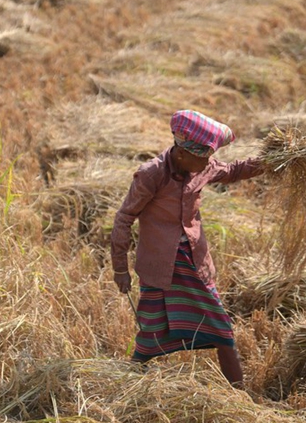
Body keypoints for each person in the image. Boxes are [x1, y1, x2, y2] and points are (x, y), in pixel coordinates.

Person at [110, 109, 264, 389]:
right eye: (202, 157)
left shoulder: (202, 166)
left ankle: (241, 398)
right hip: (159, 267)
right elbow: (124, 219)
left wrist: (271, 161)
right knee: (150, 337)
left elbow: (233, 170)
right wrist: (120, 269)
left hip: (194, 263)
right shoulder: (151, 175)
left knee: (222, 331)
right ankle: (125, 385)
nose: (208, 162)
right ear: (181, 153)